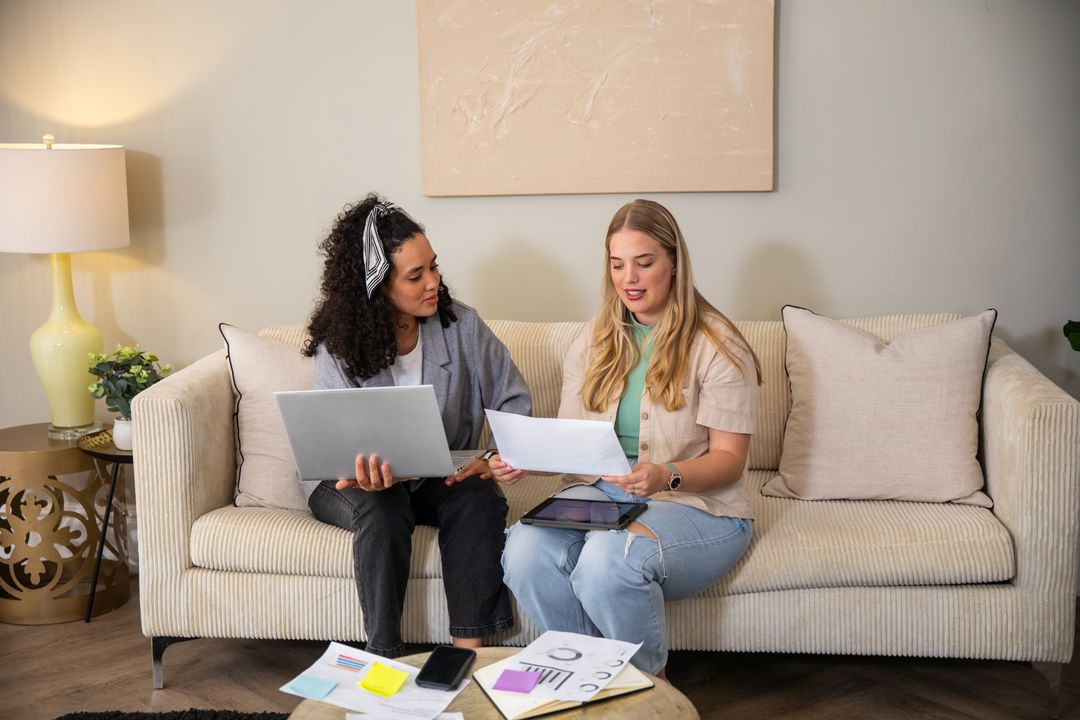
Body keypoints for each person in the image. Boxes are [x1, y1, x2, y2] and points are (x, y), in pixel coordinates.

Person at [495, 198, 761, 676]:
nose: (629, 279)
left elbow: (729, 461)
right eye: (617, 265)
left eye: (644, 262)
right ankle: (587, 680)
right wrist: (522, 461)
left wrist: (666, 474)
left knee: (606, 560)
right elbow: (571, 443)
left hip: (700, 507)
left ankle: (646, 691)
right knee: (524, 551)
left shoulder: (719, 345)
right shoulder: (594, 340)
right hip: (604, 496)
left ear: (674, 263)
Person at [301, 193, 532, 658]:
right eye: (415, 275)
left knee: (476, 496)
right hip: (352, 481)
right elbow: (333, 440)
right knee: (382, 505)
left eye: (434, 266)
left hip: (437, 472)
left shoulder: (462, 326)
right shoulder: (339, 345)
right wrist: (365, 468)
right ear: (378, 286)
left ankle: (466, 654)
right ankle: (383, 654)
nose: (434, 282)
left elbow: (513, 401)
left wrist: (491, 459)